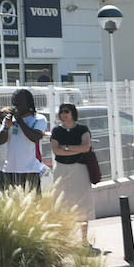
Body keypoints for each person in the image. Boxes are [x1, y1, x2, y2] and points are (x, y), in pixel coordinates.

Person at [50, 102, 96, 242]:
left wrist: (67, 148)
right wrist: (75, 148)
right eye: (62, 111)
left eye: (67, 111)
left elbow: (86, 147)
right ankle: (64, 239)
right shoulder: (56, 130)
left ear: (73, 113)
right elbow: (56, 150)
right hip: (61, 169)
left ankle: (84, 239)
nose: (64, 114)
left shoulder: (82, 129)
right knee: (61, 203)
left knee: (82, 204)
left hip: (79, 169)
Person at [0, 89, 47, 192]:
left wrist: (20, 121)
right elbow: (0, 141)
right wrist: (6, 128)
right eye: (14, 101)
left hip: (31, 170)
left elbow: (35, 137)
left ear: (28, 102)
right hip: (10, 169)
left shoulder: (39, 119)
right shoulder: (9, 119)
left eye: (19, 101)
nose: (16, 104)